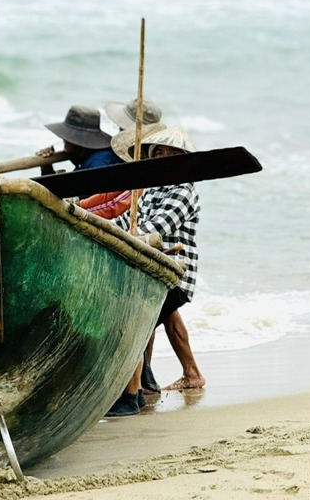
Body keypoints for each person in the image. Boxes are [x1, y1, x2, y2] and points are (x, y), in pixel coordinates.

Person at [105, 126, 204, 416]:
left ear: (183, 159)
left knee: (133, 322)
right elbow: (127, 222)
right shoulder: (150, 189)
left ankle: (130, 395)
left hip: (174, 274)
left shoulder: (183, 191)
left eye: (171, 154)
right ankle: (144, 386)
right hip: (151, 271)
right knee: (144, 322)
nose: (163, 158)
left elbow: (157, 229)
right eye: (158, 153)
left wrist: (124, 237)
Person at [36, 105, 120, 180]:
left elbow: (71, 194)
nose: (64, 145)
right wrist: (46, 167)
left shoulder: (99, 163)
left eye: (66, 140)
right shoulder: (86, 158)